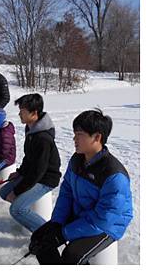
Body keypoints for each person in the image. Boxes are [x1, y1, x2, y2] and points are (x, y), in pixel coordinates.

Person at [29, 109, 132, 264]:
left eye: (80, 135)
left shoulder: (113, 175)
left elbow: (104, 218)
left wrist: (63, 234)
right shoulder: (77, 160)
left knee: (72, 256)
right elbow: (66, 193)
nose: (74, 138)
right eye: (75, 133)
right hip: (83, 213)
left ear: (97, 137)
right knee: (39, 240)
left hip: (108, 224)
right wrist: (57, 223)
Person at [0, 94, 61, 233]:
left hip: (46, 179)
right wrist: (20, 172)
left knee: (17, 209)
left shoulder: (43, 138)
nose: (19, 113)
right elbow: (29, 157)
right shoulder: (31, 129)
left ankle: (49, 234)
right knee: (4, 192)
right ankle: (30, 216)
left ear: (34, 113)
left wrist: (17, 191)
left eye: (22, 110)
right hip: (34, 174)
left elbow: (38, 171)